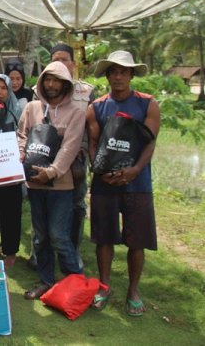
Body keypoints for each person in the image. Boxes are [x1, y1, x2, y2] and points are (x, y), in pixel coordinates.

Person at [87, 51, 160, 317]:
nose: (118, 76)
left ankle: (133, 290)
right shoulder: (97, 106)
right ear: (107, 76)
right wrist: (99, 170)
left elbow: (150, 141)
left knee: (136, 240)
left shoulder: (147, 104)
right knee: (104, 237)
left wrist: (135, 170)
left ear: (130, 75)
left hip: (137, 183)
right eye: (113, 72)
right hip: (104, 183)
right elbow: (93, 144)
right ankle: (104, 286)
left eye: (123, 72)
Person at [18, 61, 85, 300]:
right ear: (42, 82)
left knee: (58, 235)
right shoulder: (32, 108)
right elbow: (22, 135)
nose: (51, 84)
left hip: (61, 185)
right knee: (41, 235)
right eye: (48, 79)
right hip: (35, 183)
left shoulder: (76, 112)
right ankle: (46, 281)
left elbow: (71, 146)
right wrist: (21, 154)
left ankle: (75, 281)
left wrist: (53, 171)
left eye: (57, 80)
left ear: (66, 85)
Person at [49, 43, 96, 264]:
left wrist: (82, 152)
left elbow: (92, 128)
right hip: (48, 158)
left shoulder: (86, 92)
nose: (60, 63)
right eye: (55, 59)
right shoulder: (41, 89)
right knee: (44, 203)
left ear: (73, 63)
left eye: (64, 59)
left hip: (77, 159)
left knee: (76, 204)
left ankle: (73, 251)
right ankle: (41, 254)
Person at [0, 74, 25, 268]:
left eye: (3, 88)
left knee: (10, 212)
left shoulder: (17, 111)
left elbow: (23, 136)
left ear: (9, 91)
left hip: (9, 172)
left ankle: (10, 251)